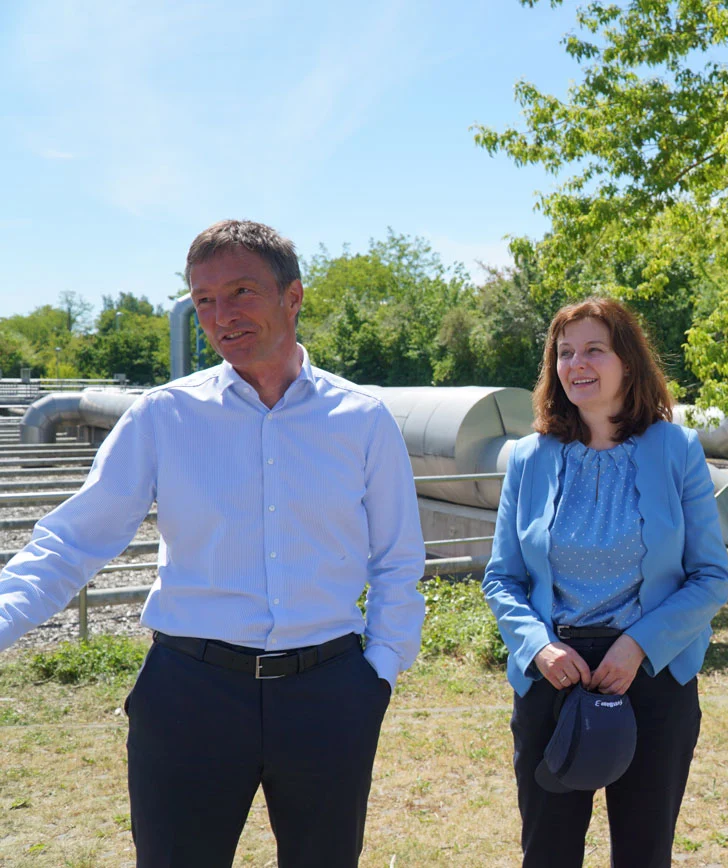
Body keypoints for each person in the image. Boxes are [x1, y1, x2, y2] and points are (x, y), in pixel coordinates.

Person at [0, 220, 427, 867]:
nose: (220, 315)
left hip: (329, 694)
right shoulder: (163, 417)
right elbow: (72, 541)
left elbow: (397, 560)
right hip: (190, 695)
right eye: (203, 300)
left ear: (293, 297)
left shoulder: (362, 420)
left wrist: (379, 675)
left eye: (240, 292)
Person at [482, 296, 728, 868]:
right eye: (565, 352)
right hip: (552, 676)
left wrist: (637, 645)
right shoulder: (528, 457)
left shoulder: (678, 449)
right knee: (547, 854)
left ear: (628, 361)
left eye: (595, 348)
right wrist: (538, 647)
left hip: (652, 675)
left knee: (644, 855)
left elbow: (712, 576)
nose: (577, 363)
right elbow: (502, 579)